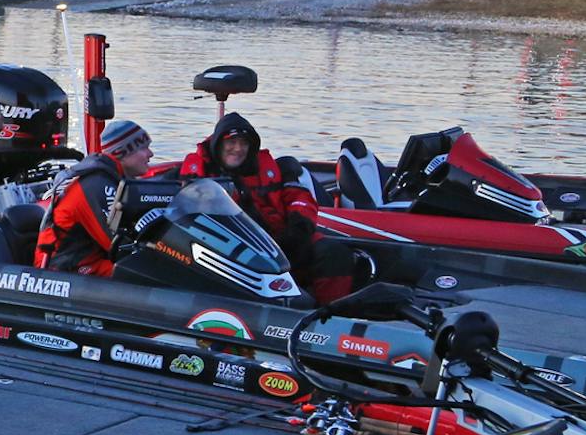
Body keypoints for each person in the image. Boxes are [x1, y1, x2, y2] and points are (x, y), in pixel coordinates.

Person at [178, 112, 356, 301]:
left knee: (335, 253)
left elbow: (300, 198)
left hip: (281, 241)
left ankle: (328, 315)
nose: (238, 149)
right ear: (218, 144)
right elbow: (195, 208)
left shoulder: (270, 169)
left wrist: (299, 228)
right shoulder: (201, 171)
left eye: (244, 143)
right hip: (236, 246)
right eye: (231, 142)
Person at [34, 119, 153, 277]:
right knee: (144, 274)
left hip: (91, 259)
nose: (150, 154)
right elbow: (117, 246)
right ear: (121, 152)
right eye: (143, 148)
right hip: (63, 268)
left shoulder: (114, 178)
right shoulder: (96, 185)